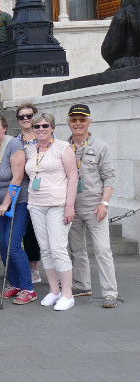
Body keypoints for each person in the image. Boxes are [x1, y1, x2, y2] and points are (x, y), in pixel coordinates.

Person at [0, 111, 36, 304]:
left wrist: (6, 203)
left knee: (13, 244)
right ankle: (14, 283)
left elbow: (18, 177)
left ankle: (28, 287)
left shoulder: (13, 144)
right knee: (3, 244)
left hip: (17, 200)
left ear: (4, 128)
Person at [66, 104, 119, 308]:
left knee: (102, 250)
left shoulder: (100, 146)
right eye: (74, 120)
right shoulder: (63, 146)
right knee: (77, 250)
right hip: (72, 208)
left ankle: (110, 292)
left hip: (95, 207)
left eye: (82, 119)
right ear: (69, 122)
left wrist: (104, 203)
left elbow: (109, 177)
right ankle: (82, 285)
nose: (78, 123)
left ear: (89, 121)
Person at [24, 113, 79, 311]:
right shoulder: (30, 149)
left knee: (58, 248)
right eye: (37, 126)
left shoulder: (63, 147)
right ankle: (54, 290)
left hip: (58, 204)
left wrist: (69, 206)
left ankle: (67, 294)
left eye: (45, 126)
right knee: (45, 248)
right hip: (36, 204)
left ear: (53, 128)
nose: (40, 129)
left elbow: (73, 177)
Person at [15, 102, 42, 283]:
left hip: (43, 190)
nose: (26, 119)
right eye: (22, 116)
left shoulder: (45, 136)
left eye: (29, 115)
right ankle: (32, 269)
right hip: (23, 190)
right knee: (27, 232)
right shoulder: (15, 141)